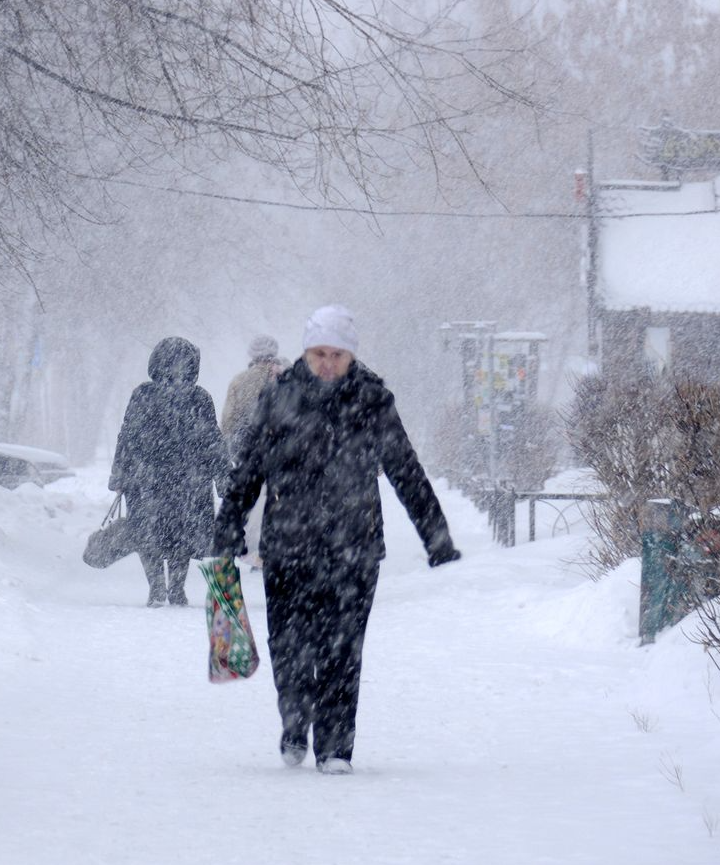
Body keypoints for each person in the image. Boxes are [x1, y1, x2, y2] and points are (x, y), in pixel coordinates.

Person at [213, 304, 461, 775]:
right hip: (288, 547)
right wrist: (227, 528)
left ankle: (335, 748)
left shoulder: (372, 401)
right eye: (319, 353)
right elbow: (248, 471)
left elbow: (405, 470)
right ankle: (294, 722)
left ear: (352, 355)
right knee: (288, 645)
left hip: (355, 548)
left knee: (343, 650)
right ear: (305, 352)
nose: (327, 363)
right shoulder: (279, 398)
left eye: (337, 354)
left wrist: (437, 537)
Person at [110, 336, 229, 607]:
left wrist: (120, 474)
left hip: (150, 479)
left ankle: (160, 588)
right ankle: (173, 588)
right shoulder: (198, 397)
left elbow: (127, 436)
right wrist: (222, 476)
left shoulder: (144, 394)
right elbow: (213, 440)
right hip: (186, 479)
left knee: (152, 532)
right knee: (179, 535)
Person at [220, 334, 283, 568]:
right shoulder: (286, 378)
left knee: (252, 502)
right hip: (281, 450)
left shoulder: (239, 381)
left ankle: (254, 550)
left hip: (249, 451)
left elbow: (228, 422)